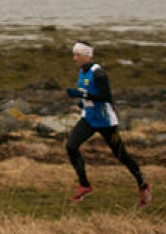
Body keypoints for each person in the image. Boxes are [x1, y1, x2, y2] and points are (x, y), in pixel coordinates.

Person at [65, 41, 152, 207]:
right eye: (74, 54)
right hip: (89, 119)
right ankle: (84, 185)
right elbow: (89, 96)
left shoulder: (99, 73)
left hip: (106, 122)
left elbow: (106, 97)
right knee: (71, 146)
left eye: (77, 55)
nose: (74, 58)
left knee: (121, 155)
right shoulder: (81, 72)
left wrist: (81, 94)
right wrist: (82, 103)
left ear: (87, 56)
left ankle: (143, 185)